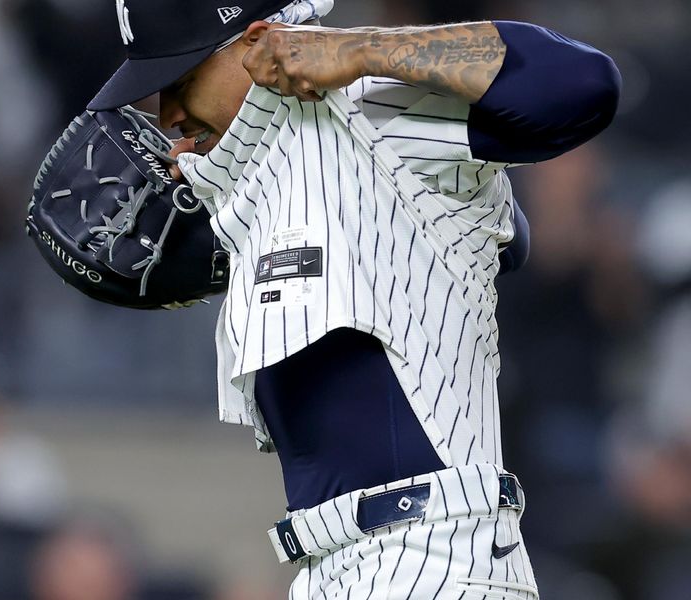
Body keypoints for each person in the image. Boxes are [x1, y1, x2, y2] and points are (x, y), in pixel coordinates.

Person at [87, 1, 620, 597]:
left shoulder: (368, 104)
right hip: (334, 565)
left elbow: (585, 82)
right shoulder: (251, 177)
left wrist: (361, 48)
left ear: (260, 41)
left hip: (436, 556)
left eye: (182, 81)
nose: (170, 113)